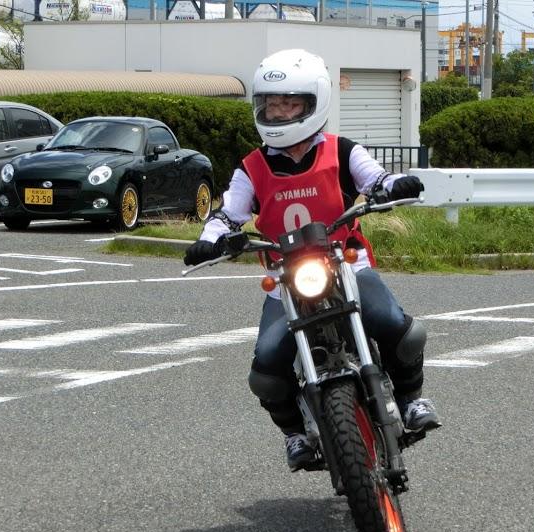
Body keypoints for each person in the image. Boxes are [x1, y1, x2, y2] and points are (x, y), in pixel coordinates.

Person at [183, 49, 441, 471]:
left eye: (290, 103)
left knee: (398, 326)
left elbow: (377, 178)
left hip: (346, 267)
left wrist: (395, 185)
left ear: (313, 103)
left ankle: (412, 400)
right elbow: (228, 213)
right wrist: (209, 239)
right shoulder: (251, 168)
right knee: (267, 365)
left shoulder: (342, 151)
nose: (279, 112)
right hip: (287, 281)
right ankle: (295, 435)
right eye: (272, 103)